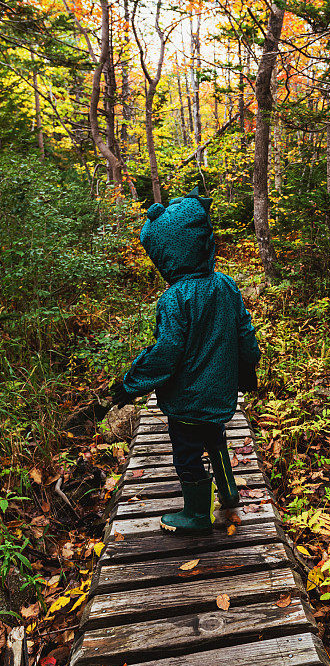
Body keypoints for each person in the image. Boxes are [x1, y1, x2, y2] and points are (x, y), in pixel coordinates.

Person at [110, 187, 261, 535]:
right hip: (220, 393)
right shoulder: (225, 285)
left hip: (188, 399)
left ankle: (196, 515)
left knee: (188, 456)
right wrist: (249, 363)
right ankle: (229, 491)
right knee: (216, 437)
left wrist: (131, 384)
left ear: (169, 253)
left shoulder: (174, 298)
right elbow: (244, 331)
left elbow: (166, 353)